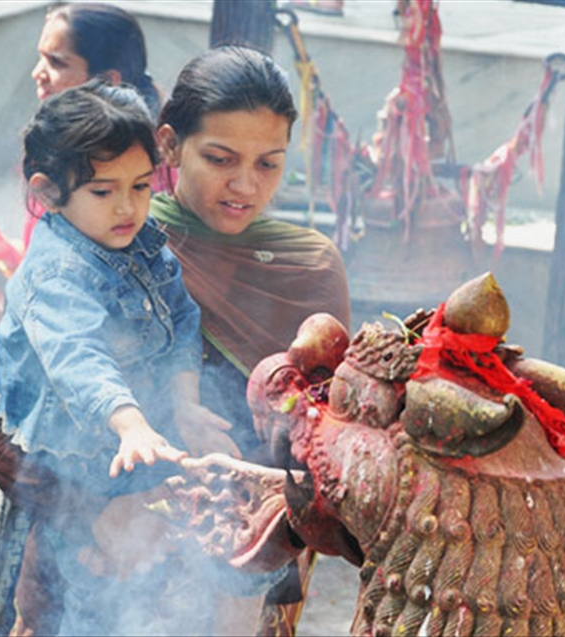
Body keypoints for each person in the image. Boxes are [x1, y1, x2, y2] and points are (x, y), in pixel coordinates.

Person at [0, 80, 240, 637]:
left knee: (131, 584)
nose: (129, 206)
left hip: (125, 451)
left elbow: (182, 321)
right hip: (61, 460)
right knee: (75, 597)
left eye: (141, 185)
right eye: (104, 191)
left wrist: (185, 403)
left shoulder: (142, 244)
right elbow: (77, 357)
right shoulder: (56, 271)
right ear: (48, 192)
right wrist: (130, 423)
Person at [150, 45, 352, 633]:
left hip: (253, 542)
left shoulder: (309, 265)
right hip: (125, 522)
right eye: (220, 158)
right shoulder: (128, 243)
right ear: (170, 145)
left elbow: (325, 428)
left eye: (269, 164)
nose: (245, 185)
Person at [24, 2, 163, 249]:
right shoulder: (60, 137)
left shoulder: (138, 158)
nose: (37, 73)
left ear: (106, 80)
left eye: (57, 63)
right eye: (41, 57)